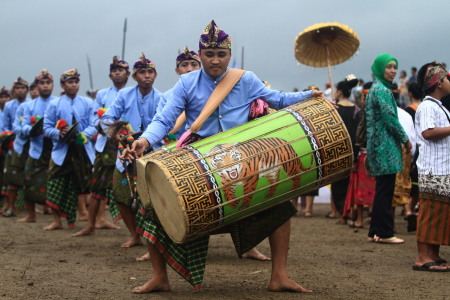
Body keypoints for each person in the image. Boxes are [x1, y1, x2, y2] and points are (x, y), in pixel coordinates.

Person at [124, 20, 322, 294]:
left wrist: (311, 95)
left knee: (281, 205)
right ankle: (160, 277)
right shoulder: (186, 83)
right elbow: (165, 119)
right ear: (200, 54)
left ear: (230, 55)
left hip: (242, 160)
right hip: (198, 162)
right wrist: (143, 140)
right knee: (152, 207)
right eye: (209, 54)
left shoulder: (246, 79)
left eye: (221, 54)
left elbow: (278, 100)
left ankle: (279, 276)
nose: (215, 60)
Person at [101, 53, 164, 247]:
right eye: (142, 72)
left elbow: (167, 125)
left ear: (155, 75)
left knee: (154, 198)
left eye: (150, 72)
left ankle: (153, 239)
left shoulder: (161, 98)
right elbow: (106, 120)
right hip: (125, 151)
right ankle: (134, 234)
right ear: (134, 76)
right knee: (120, 195)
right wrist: (121, 136)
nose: (147, 75)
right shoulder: (124, 95)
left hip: (153, 152)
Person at [72, 56, 130, 237]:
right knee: (97, 185)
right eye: (114, 70)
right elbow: (95, 120)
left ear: (128, 74)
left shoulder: (132, 93)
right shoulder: (102, 95)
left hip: (128, 143)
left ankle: (135, 232)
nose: (117, 72)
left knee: (131, 186)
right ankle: (91, 224)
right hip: (105, 145)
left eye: (121, 70)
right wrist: (92, 133)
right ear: (110, 74)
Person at [365, 54, 412, 244]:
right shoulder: (382, 90)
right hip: (385, 146)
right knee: (385, 190)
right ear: (380, 68)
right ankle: (384, 233)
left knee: (382, 189)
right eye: (389, 67)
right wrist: (406, 140)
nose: (392, 71)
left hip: (378, 145)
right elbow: (391, 119)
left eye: (395, 67)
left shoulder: (376, 88)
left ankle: (375, 232)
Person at [43, 69, 96, 230]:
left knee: (85, 185)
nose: (74, 85)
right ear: (62, 85)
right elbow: (46, 128)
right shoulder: (54, 104)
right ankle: (56, 221)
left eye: (76, 82)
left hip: (82, 150)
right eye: (70, 82)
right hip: (62, 150)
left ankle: (90, 221)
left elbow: (94, 125)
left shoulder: (87, 102)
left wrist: (84, 135)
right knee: (54, 182)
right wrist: (59, 133)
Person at [412, 62, 450, 272]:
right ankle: (422, 257)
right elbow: (428, 132)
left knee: (440, 213)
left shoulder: (438, 105)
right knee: (430, 213)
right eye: (445, 78)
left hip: (441, 168)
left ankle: (433, 254)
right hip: (433, 169)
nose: (448, 82)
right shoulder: (427, 106)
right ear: (438, 83)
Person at [18, 70, 57, 223]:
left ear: (53, 85)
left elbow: (65, 123)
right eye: (42, 83)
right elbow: (22, 126)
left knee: (55, 182)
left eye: (48, 83)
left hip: (55, 147)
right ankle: (31, 214)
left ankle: (56, 218)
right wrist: (32, 129)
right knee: (28, 179)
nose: (45, 86)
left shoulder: (58, 102)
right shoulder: (29, 106)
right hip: (36, 147)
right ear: (37, 86)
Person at [342, 82, 375, 228]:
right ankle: (374, 218)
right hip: (378, 156)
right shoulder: (381, 113)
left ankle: (360, 219)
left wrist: (354, 159)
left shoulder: (363, 115)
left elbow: (358, 139)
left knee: (361, 191)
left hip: (364, 156)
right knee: (376, 189)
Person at [330, 75, 360, 225]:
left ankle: (343, 213)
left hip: (338, 149)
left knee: (338, 185)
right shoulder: (357, 110)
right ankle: (353, 211)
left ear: (340, 91)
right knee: (352, 183)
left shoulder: (333, 109)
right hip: (354, 149)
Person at [1, 77, 30, 217]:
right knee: (11, 175)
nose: (20, 90)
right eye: (17, 88)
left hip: (30, 144)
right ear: (14, 91)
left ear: (27, 90)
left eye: (23, 88)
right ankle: (11, 206)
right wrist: (10, 138)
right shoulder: (8, 106)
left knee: (30, 175)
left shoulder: (31, 104)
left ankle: (29, 207)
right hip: (13, 144)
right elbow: (5, 126)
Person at [403, 82, 423, 231]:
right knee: (418, 185)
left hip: (411, 149)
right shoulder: (427, 108)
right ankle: (413, 209)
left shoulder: (407, 112)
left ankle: (408, 210)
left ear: (410, 94)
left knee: (405, 182)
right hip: (426, 150)